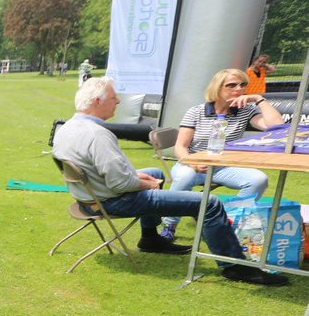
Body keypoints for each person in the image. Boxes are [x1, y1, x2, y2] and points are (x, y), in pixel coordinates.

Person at [51, 77, 287, 287]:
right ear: (97, 101)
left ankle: (150, 238)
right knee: (210, 202)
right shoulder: (98, 134)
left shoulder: (68, 127)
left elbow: (104, 172)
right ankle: (235, 267)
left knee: (155, 171)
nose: (119, 102)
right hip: (113, 200)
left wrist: (139, 177)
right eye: (114, 98)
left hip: (88, 197)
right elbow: (120, 184)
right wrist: (147, 184)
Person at [159, 69, 281, 241]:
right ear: (217, 87)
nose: (239, 89)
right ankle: (170, 225)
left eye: (243, 84)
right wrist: (194, 164)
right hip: (192, 164)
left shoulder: (245, 110)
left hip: (224, 166)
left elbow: (276, 126)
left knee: (259, 180)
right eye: (231, 85)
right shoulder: (196, 111)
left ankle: (226, 222)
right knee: (185, 177)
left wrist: (258, 99)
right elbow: (181, 147)